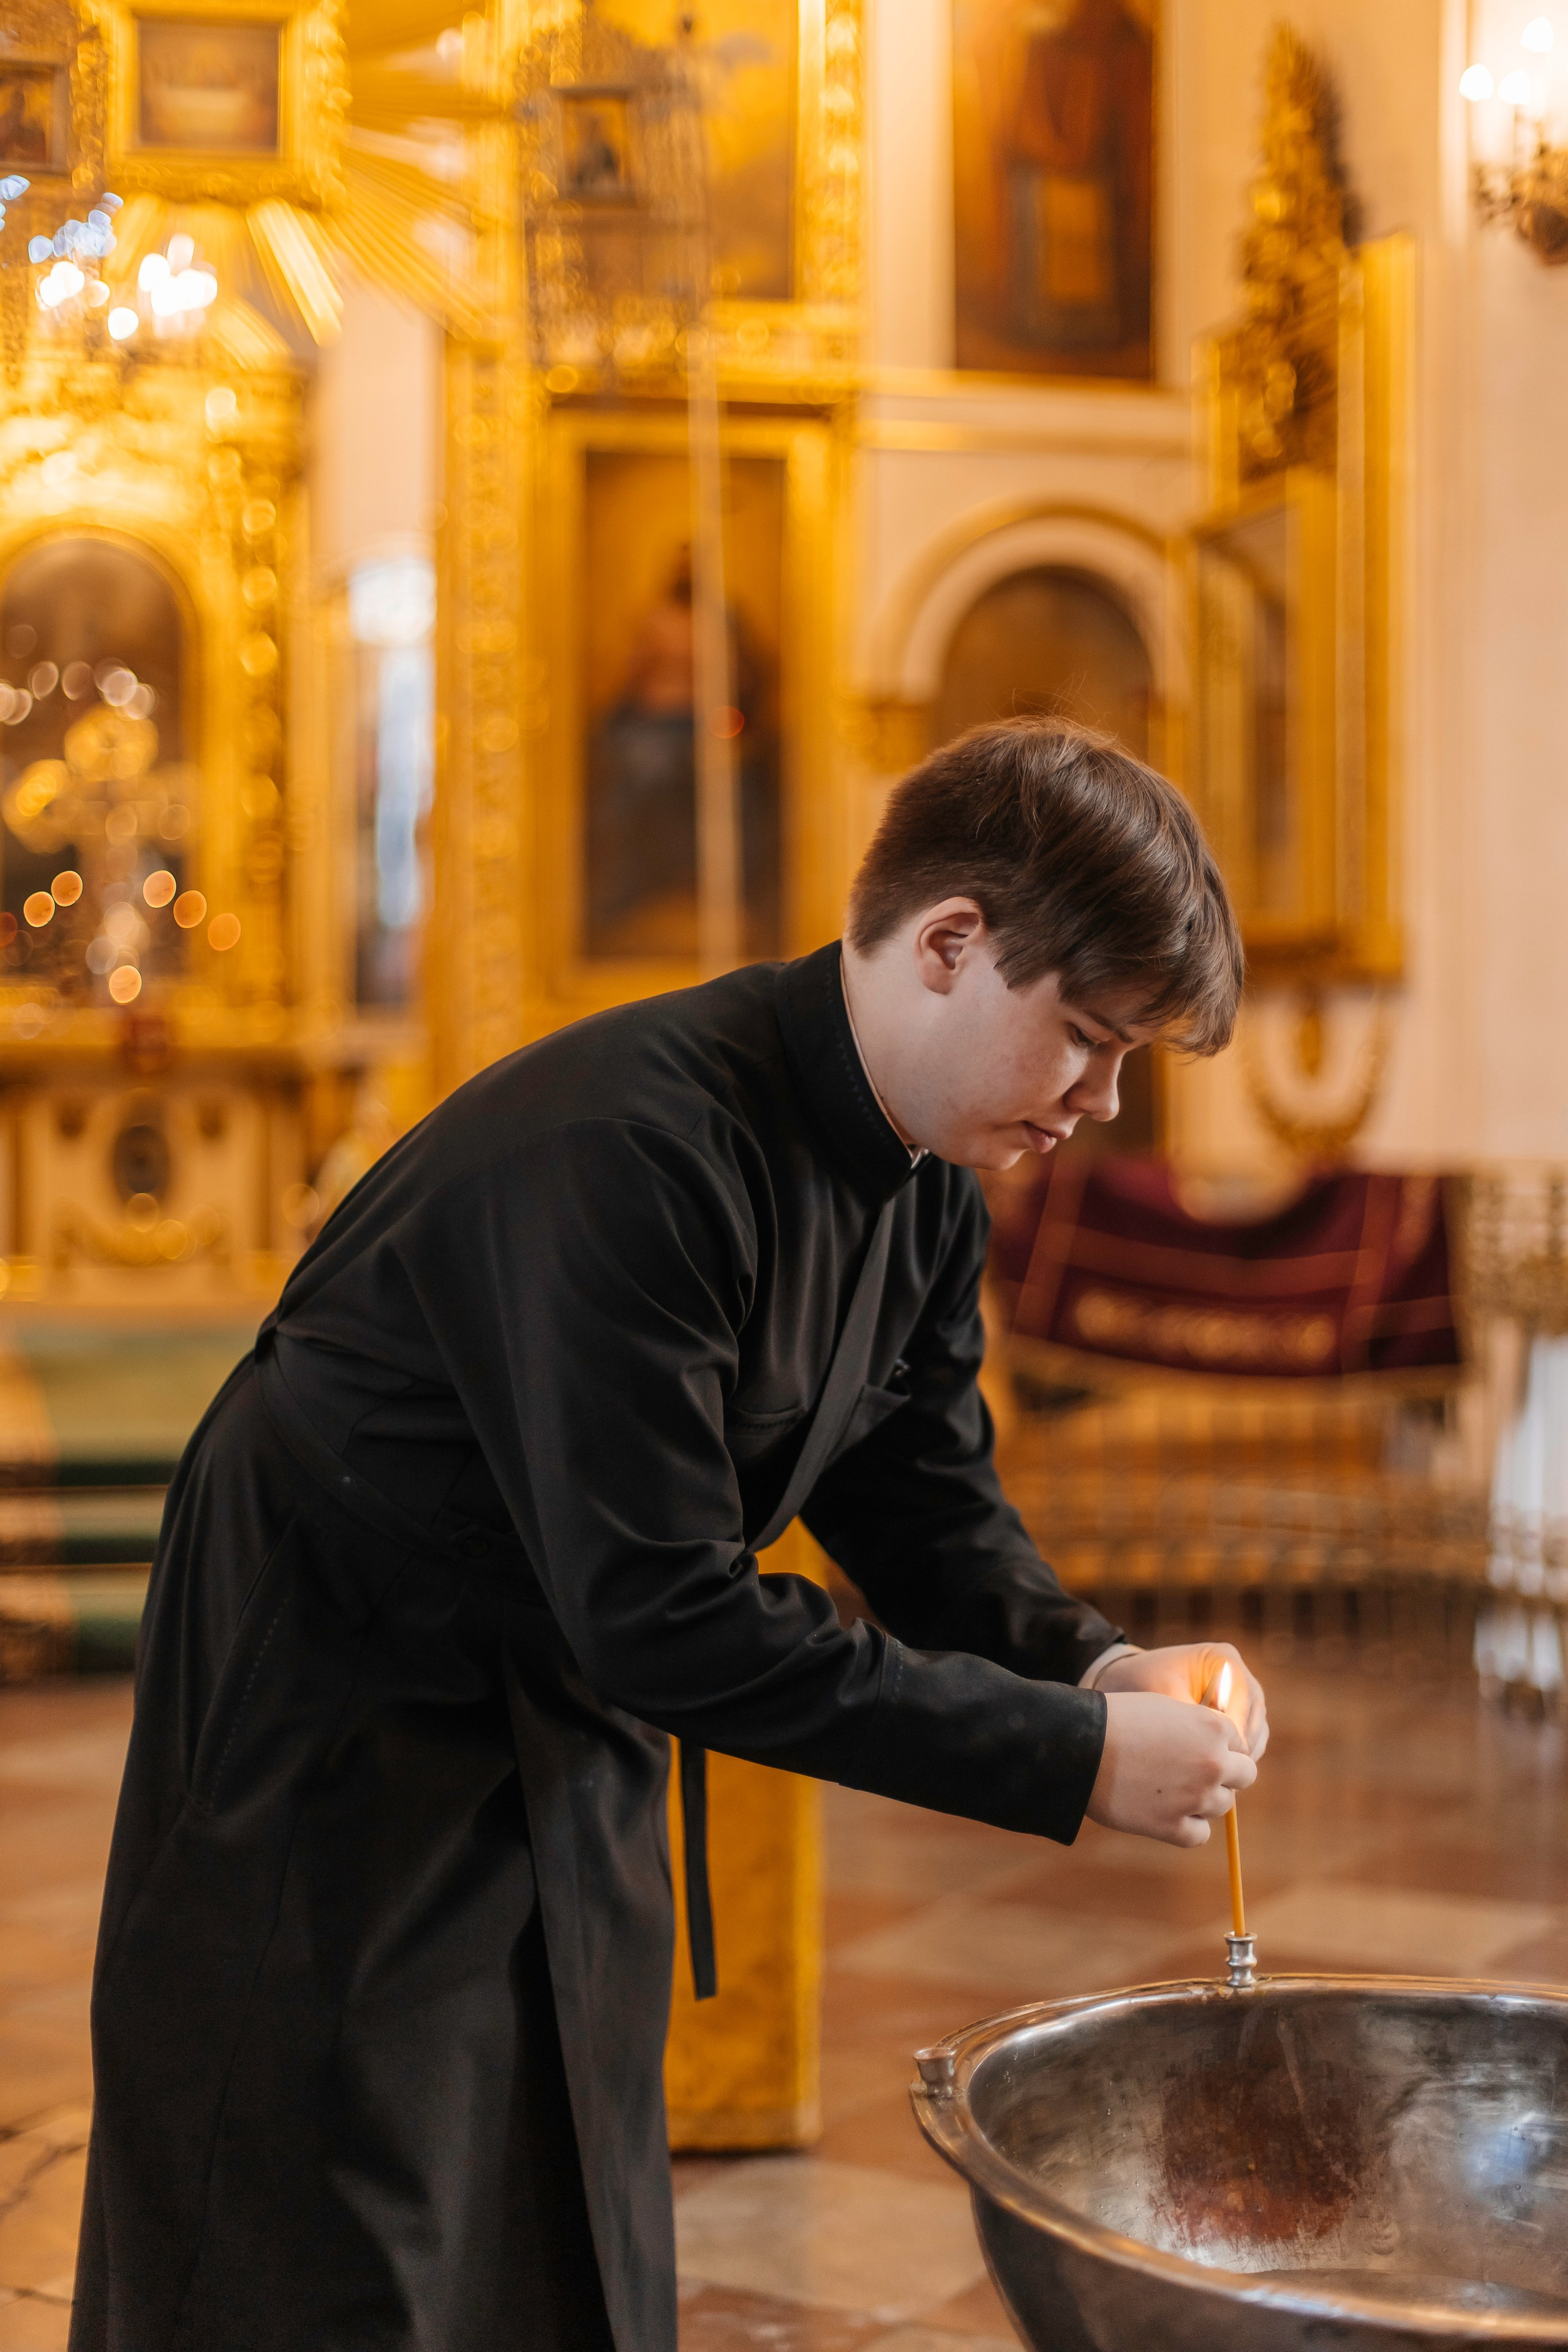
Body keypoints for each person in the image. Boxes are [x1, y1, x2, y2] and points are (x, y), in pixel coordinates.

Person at [71, 718, 1266, 2352]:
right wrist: (1066, 1758)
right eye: (1087, 1039)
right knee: (331, 2211)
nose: (1101, 1103)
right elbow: (668, 1619)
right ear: (949, 944)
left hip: (551, 1680)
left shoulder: (926, 1186)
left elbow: (923, 1504)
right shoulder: (636, 1146)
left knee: (564, 2201)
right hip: (334, 1708)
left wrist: (1102, 1662)